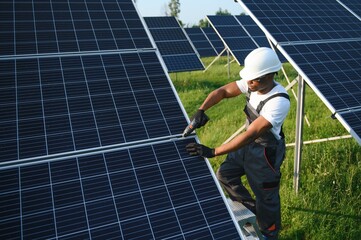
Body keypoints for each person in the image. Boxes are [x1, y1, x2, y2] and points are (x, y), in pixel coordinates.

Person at [185, 47, 290, 239]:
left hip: (265, 154)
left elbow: (251, 133)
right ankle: (253, 212)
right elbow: (223, 91)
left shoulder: (279, 101)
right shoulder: (253, 83)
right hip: (247, 146)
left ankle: (269, 232)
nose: (248, 83)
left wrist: (214, 151)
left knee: (266, 195)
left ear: (268, 76)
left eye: (253, 79)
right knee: (225, 174)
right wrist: (202, 109)